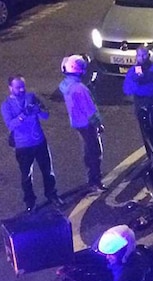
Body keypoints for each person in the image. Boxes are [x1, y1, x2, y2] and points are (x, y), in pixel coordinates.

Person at [0, 75, 64, 213]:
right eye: (18, 87)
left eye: (23, 86)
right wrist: (23, 115)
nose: (22, 89)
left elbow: (46, 115)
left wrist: (39, 110)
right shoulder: (6, 105)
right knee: (26, 176)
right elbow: (10, 125)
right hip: (23, 146)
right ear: (10, 88)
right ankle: (30, 202)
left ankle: (52, 194)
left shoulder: (31, 97)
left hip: (39, 141)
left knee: (48, 171)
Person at [59, 54, 107, 191]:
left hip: (77, 122)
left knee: (87, 150)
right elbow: (90, 110)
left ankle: (90, 178)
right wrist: (98, 124)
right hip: (87, 124)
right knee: (95, 152)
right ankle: (95, 181)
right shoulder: (80, 89)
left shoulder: (65, 85)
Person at [123, 47, 153, 158]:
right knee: (147, 135)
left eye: (144, 55)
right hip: (142, 107)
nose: (141, 58)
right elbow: (127, 89)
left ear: (149, 55)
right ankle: (152, 157)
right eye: (139, 56)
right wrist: (137, 78)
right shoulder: (133, 72)